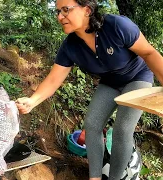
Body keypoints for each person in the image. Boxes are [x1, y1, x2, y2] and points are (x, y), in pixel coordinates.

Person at [15, 0, 163, 179]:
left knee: (122, 129)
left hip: (137, 77)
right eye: (57, 12)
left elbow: (149, 53)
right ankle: (95, 177)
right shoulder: (70, 46)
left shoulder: (117, 26)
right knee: (92, 124)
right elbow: (54, 79)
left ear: (86, 10)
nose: (59, 17)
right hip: (110, 82)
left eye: (65, 10)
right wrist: (32, 101)